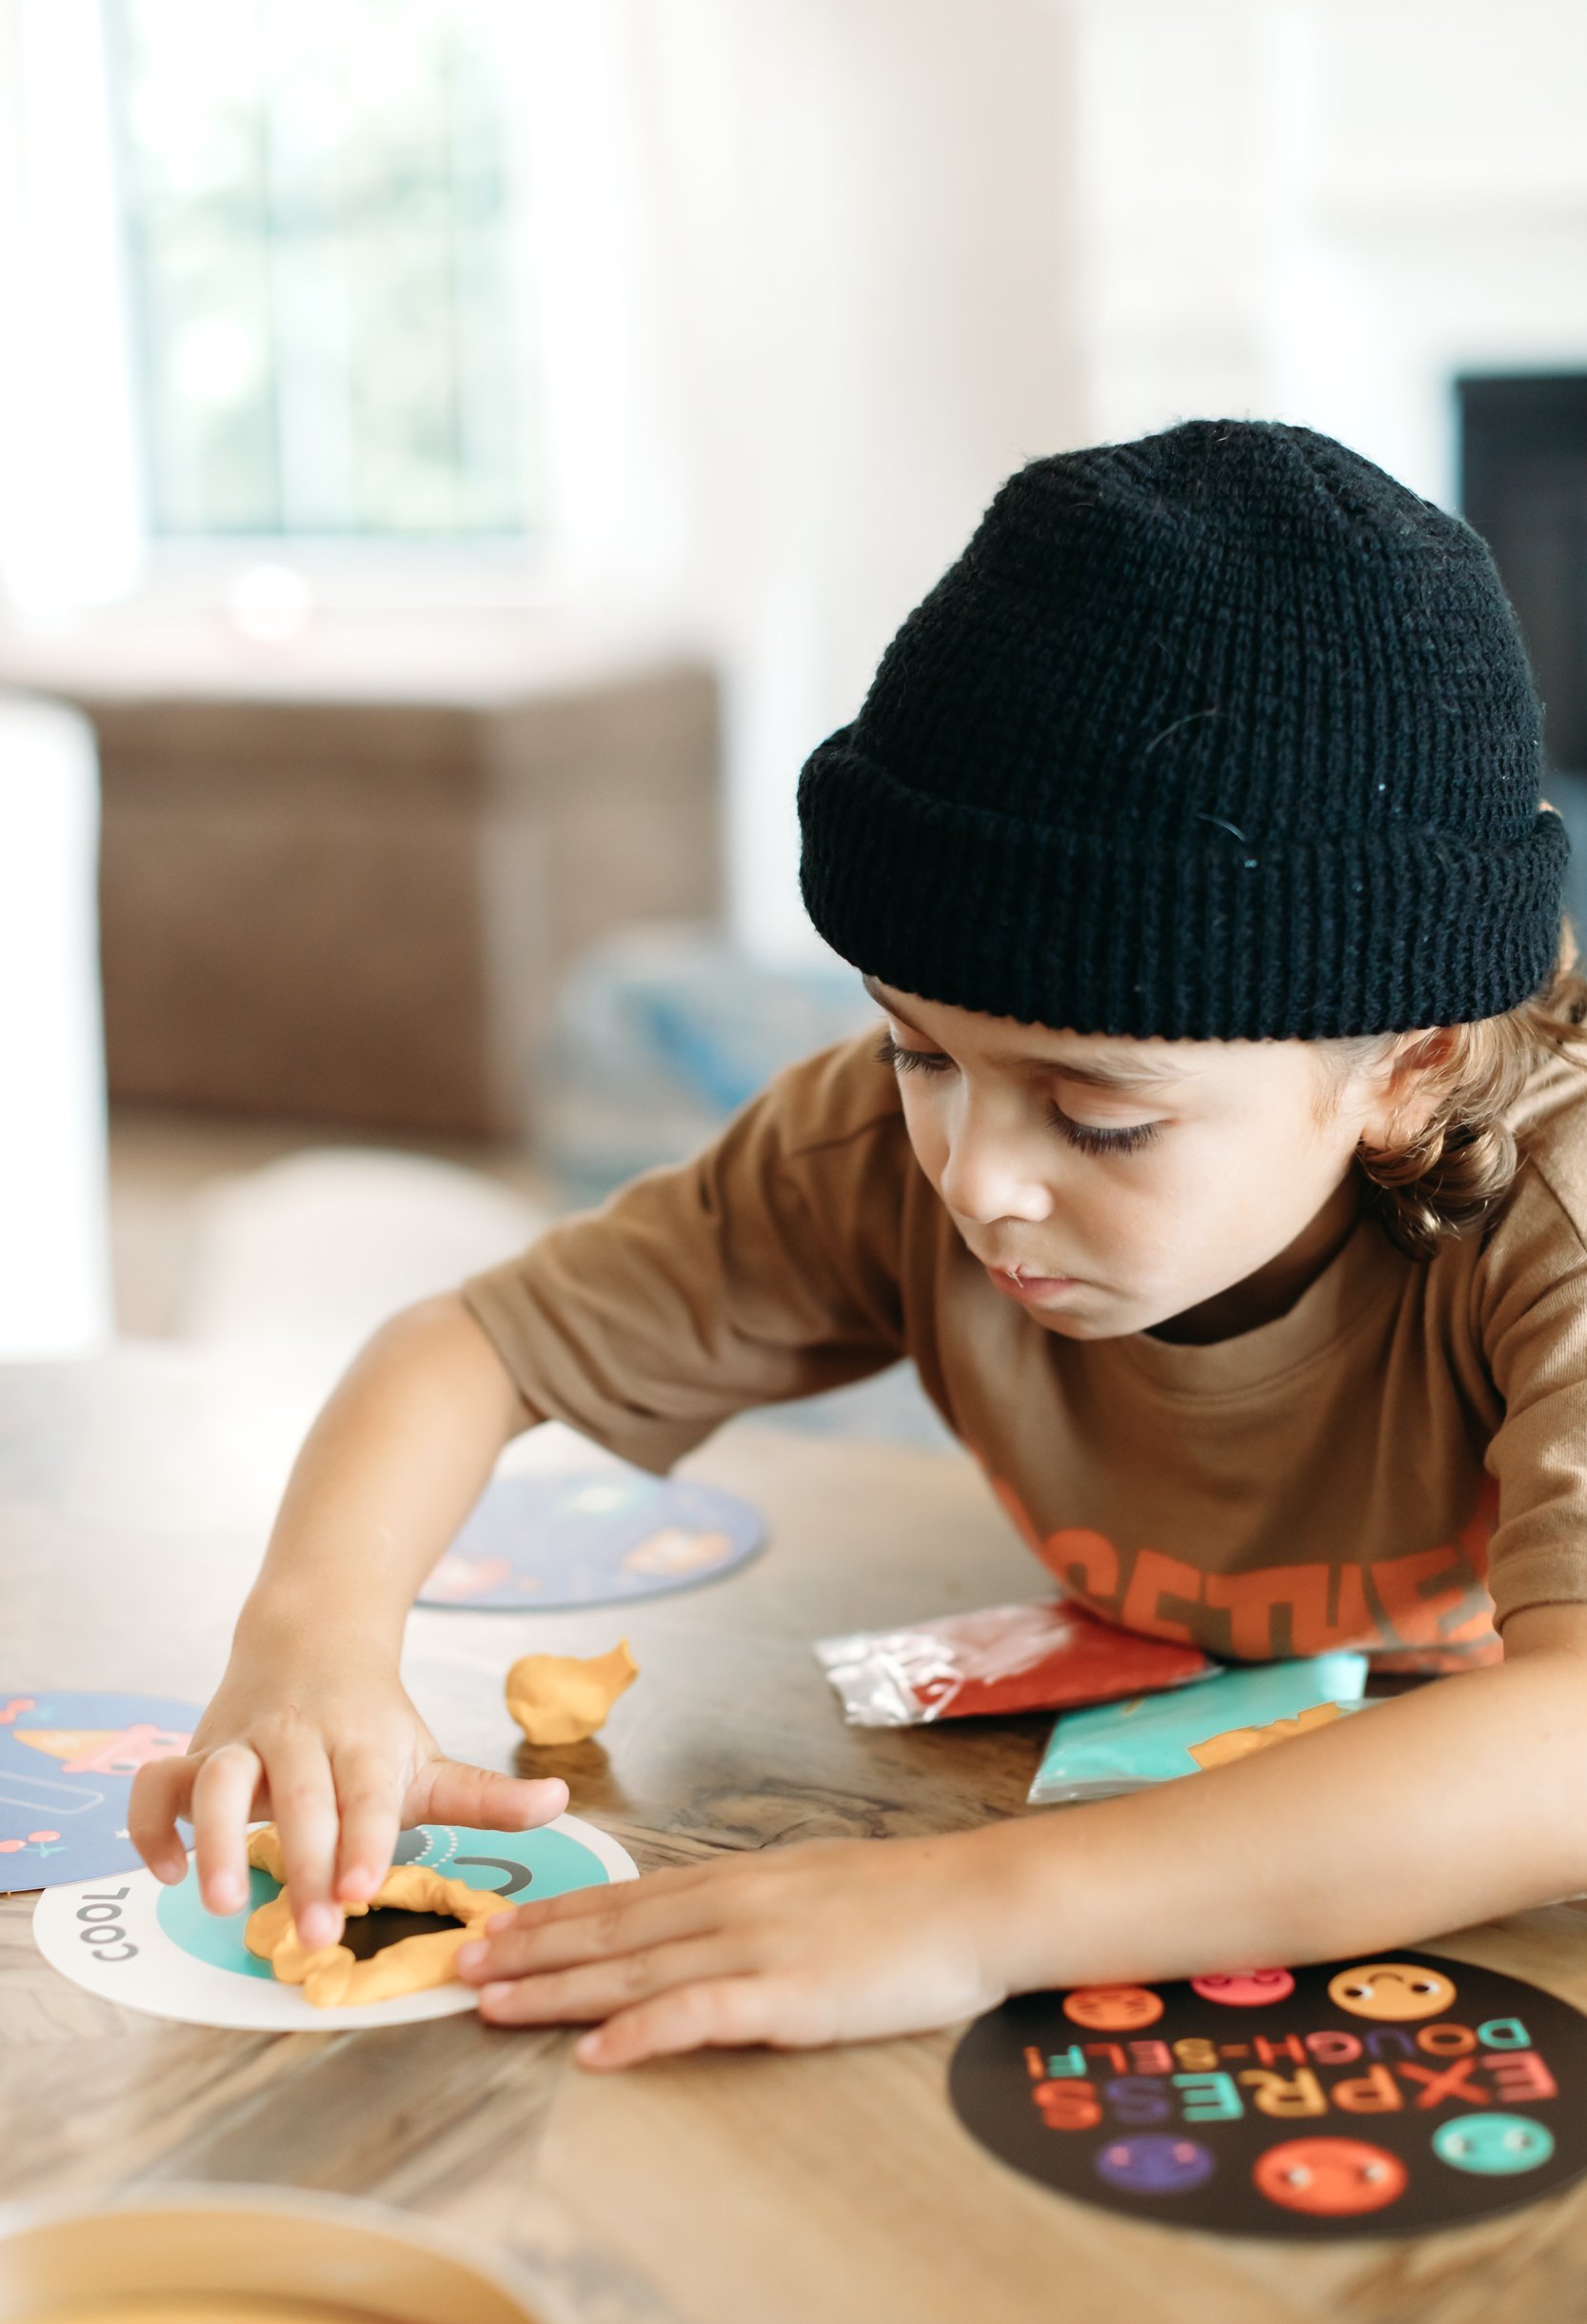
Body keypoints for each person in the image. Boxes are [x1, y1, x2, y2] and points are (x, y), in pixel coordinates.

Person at [130, 420, 1587, 2071]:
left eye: (1101, 1118)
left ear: (1406, 1073)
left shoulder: (1561, 1222)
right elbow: (467, 1347)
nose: (975, 1179)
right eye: (919, 1049)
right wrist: (309, 1644)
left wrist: (977, 1911)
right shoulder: (876, 1150)